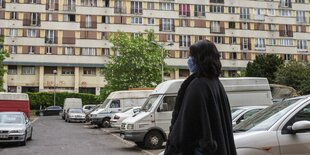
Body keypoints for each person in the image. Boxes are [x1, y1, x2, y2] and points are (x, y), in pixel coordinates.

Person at [164, 40, 237, 155]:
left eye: (192, 56)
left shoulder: (198, 86)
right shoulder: (215, 84)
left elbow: (185, 130)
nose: (189, 60)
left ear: (201, 59)